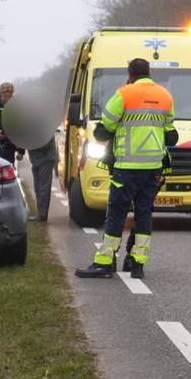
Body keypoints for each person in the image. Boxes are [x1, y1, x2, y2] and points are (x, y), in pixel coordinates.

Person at [75, 58, 176, 280]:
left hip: (126, 167)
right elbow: (171, 136)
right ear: (148, 72)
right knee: (144, 214)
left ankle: (105, 262)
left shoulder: (123, 94)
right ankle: (137, 263)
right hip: (153, 169)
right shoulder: (166, 96)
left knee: (117, 214)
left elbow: (103, 131)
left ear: (130, 74)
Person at [23, 139, 58, 221]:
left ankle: (42, 214)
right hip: (36, 160)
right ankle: (41, 213)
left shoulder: (45, 129)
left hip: (46, 159)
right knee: (38, 187)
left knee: (43, 187)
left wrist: (31, 144)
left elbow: (45, 143)